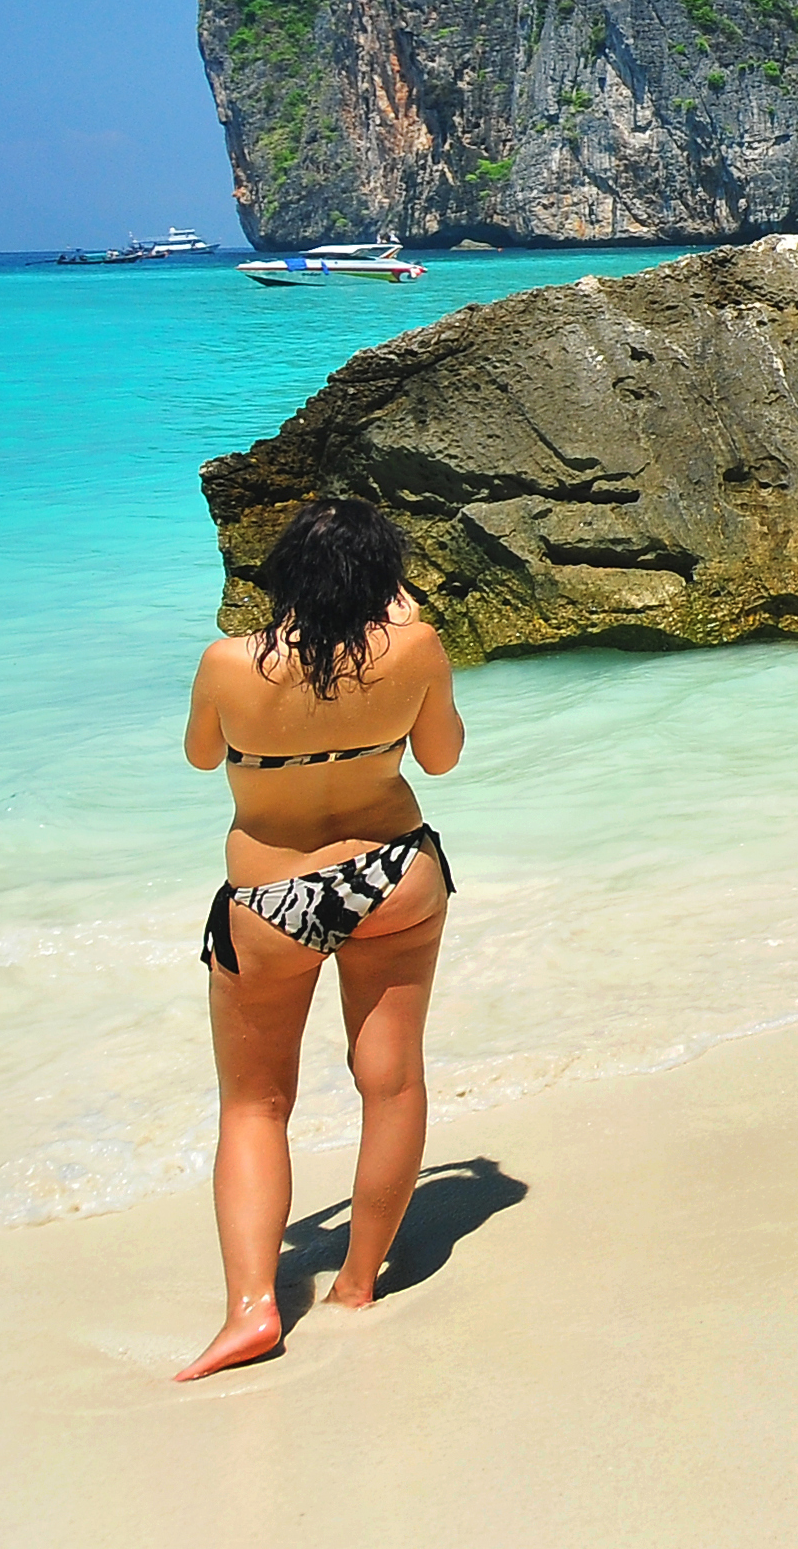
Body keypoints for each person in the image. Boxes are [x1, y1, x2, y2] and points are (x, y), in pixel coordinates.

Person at [174, 496, 463, 1380]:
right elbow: (442, 756)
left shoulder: (228, 663)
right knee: (391, 1081)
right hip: (391, 875)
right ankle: (357, 1283)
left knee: (256, 1106)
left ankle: (254, 1311)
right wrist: (404, 623)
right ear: (385, 577)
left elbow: (198, 756)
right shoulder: (414, 647)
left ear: (283, 575)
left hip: (269, 895)